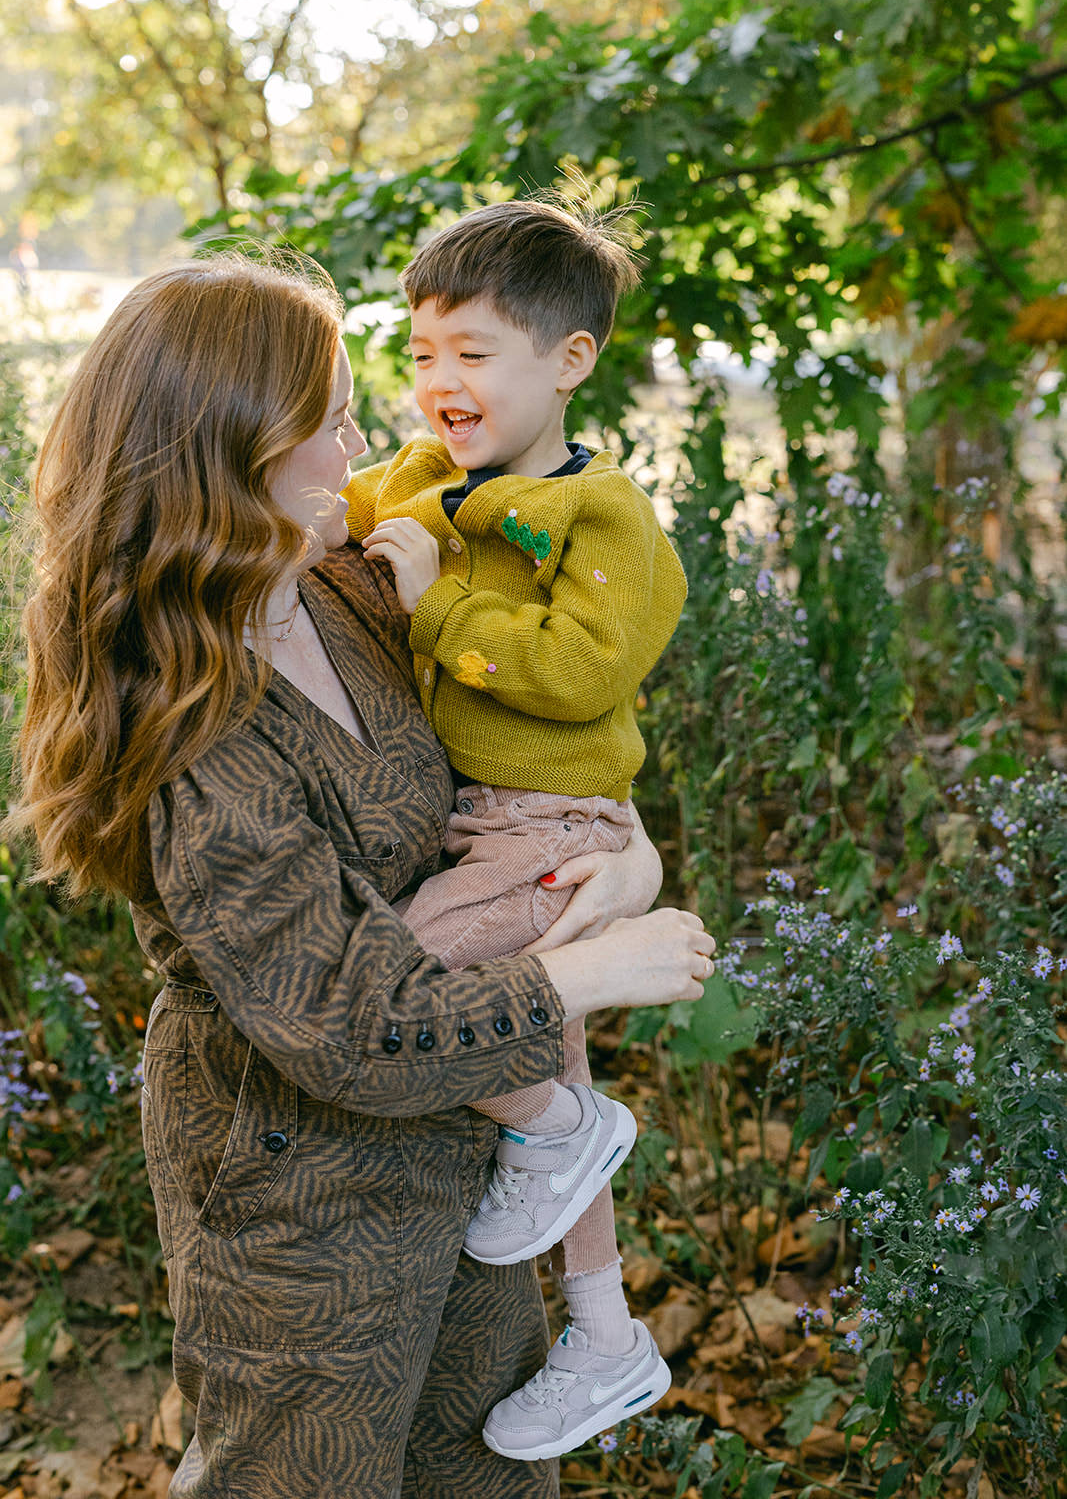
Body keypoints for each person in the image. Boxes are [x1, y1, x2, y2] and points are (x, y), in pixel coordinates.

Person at [6, 250, 716, 1499]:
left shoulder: (347, 592)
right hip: (303, 1204)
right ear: (230, 457)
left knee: (480, 1467)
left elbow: (514, 766)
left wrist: (625, 851)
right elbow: (348, 1022)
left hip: (476, 1164)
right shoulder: (191, 733)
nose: (363, 449)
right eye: (329, 426)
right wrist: (585, 973)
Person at [343, 197, 688, 1461]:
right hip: (473, 816)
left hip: (547, 824)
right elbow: (336, 517)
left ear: (569, 361)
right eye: (422, 353)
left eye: (474, 355)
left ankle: (546, 1127)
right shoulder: (433, 476)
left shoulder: (605, 520)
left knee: (414, 976)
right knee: (558, 1048)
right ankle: (603, 1334)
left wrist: (434, 614)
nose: (440, 382)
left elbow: (585, 671)